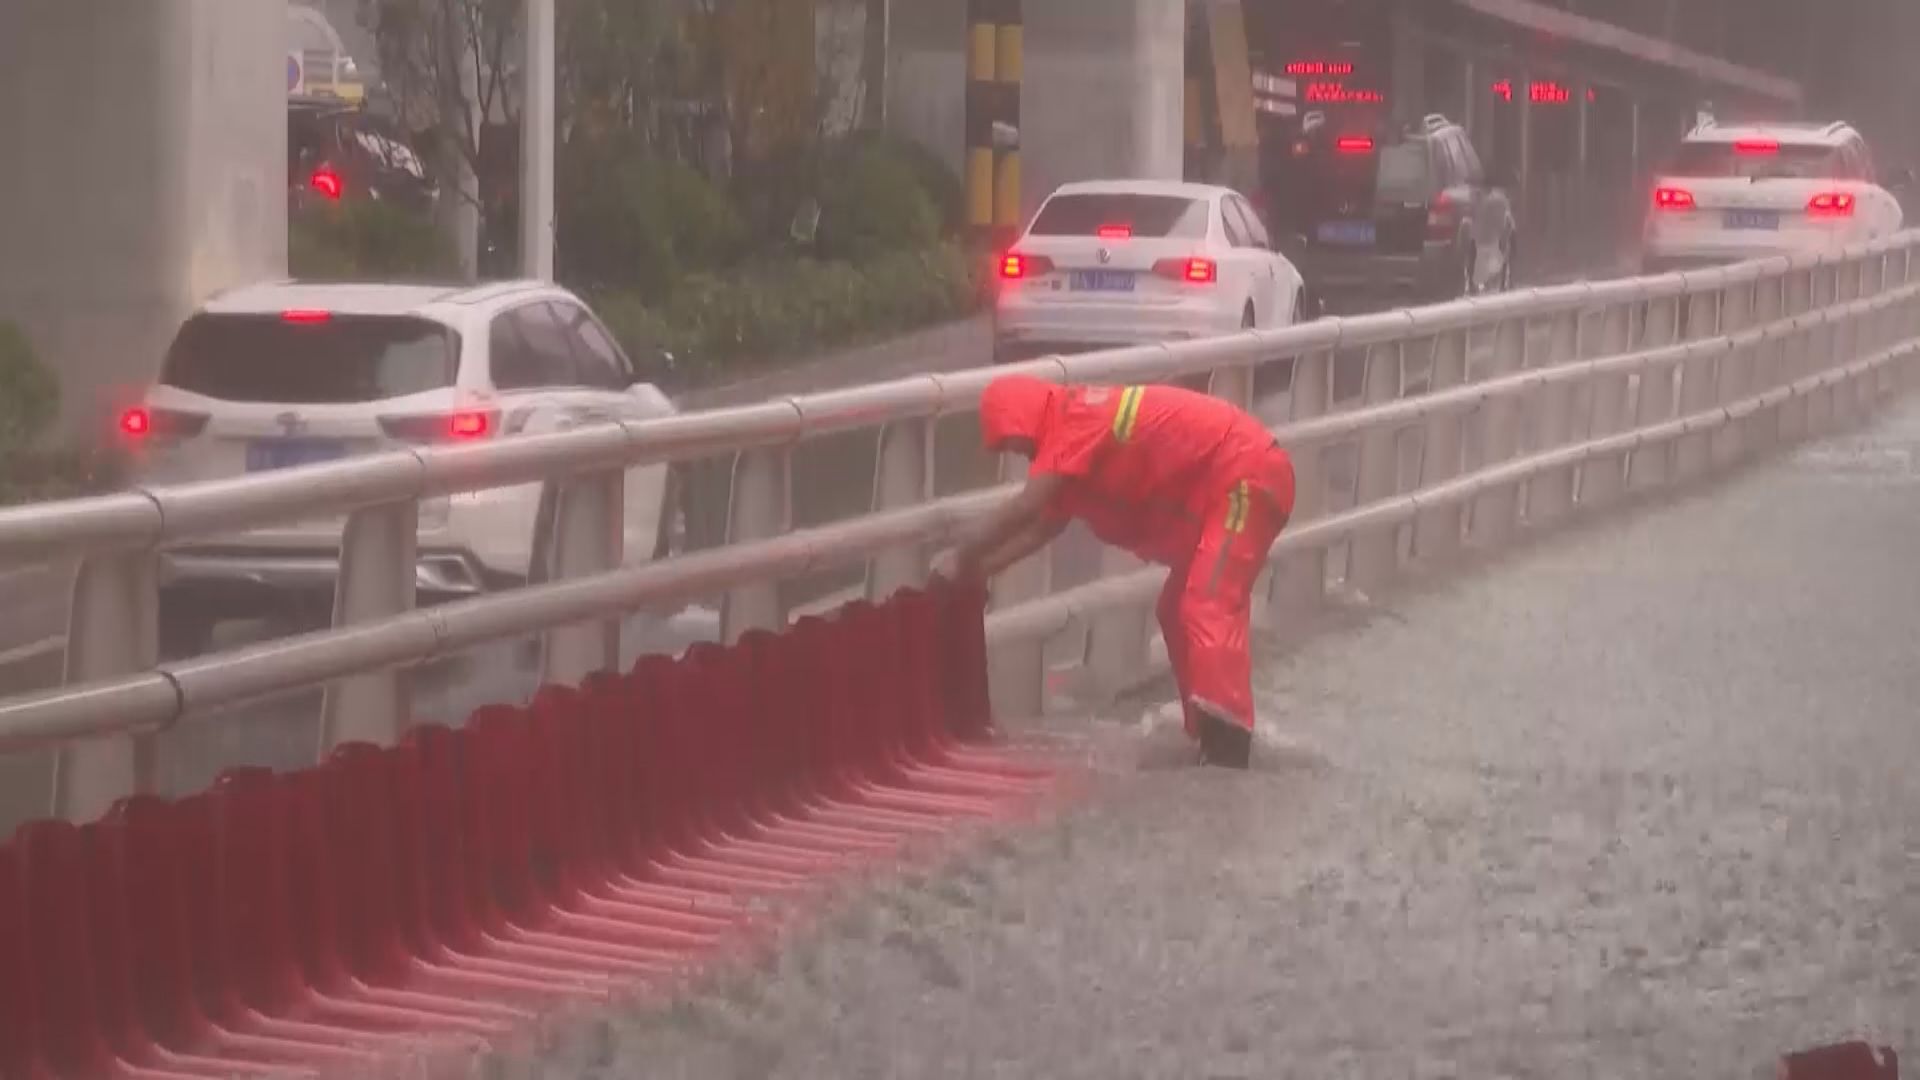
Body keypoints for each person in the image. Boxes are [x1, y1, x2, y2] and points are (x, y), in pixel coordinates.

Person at [935, 374, 1295, 769]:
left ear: (1022, 417)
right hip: (1230, 486)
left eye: (1012, 441)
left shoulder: (1078, 418)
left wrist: (962, 556)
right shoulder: (1070, 450)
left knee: (1206, 604)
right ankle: (1204, 731)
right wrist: (980, 570)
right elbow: (1043, 527)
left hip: (1246, 476)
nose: (1019, 454)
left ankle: (1228, 749)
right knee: (1175, 609)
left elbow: (1028, 507)